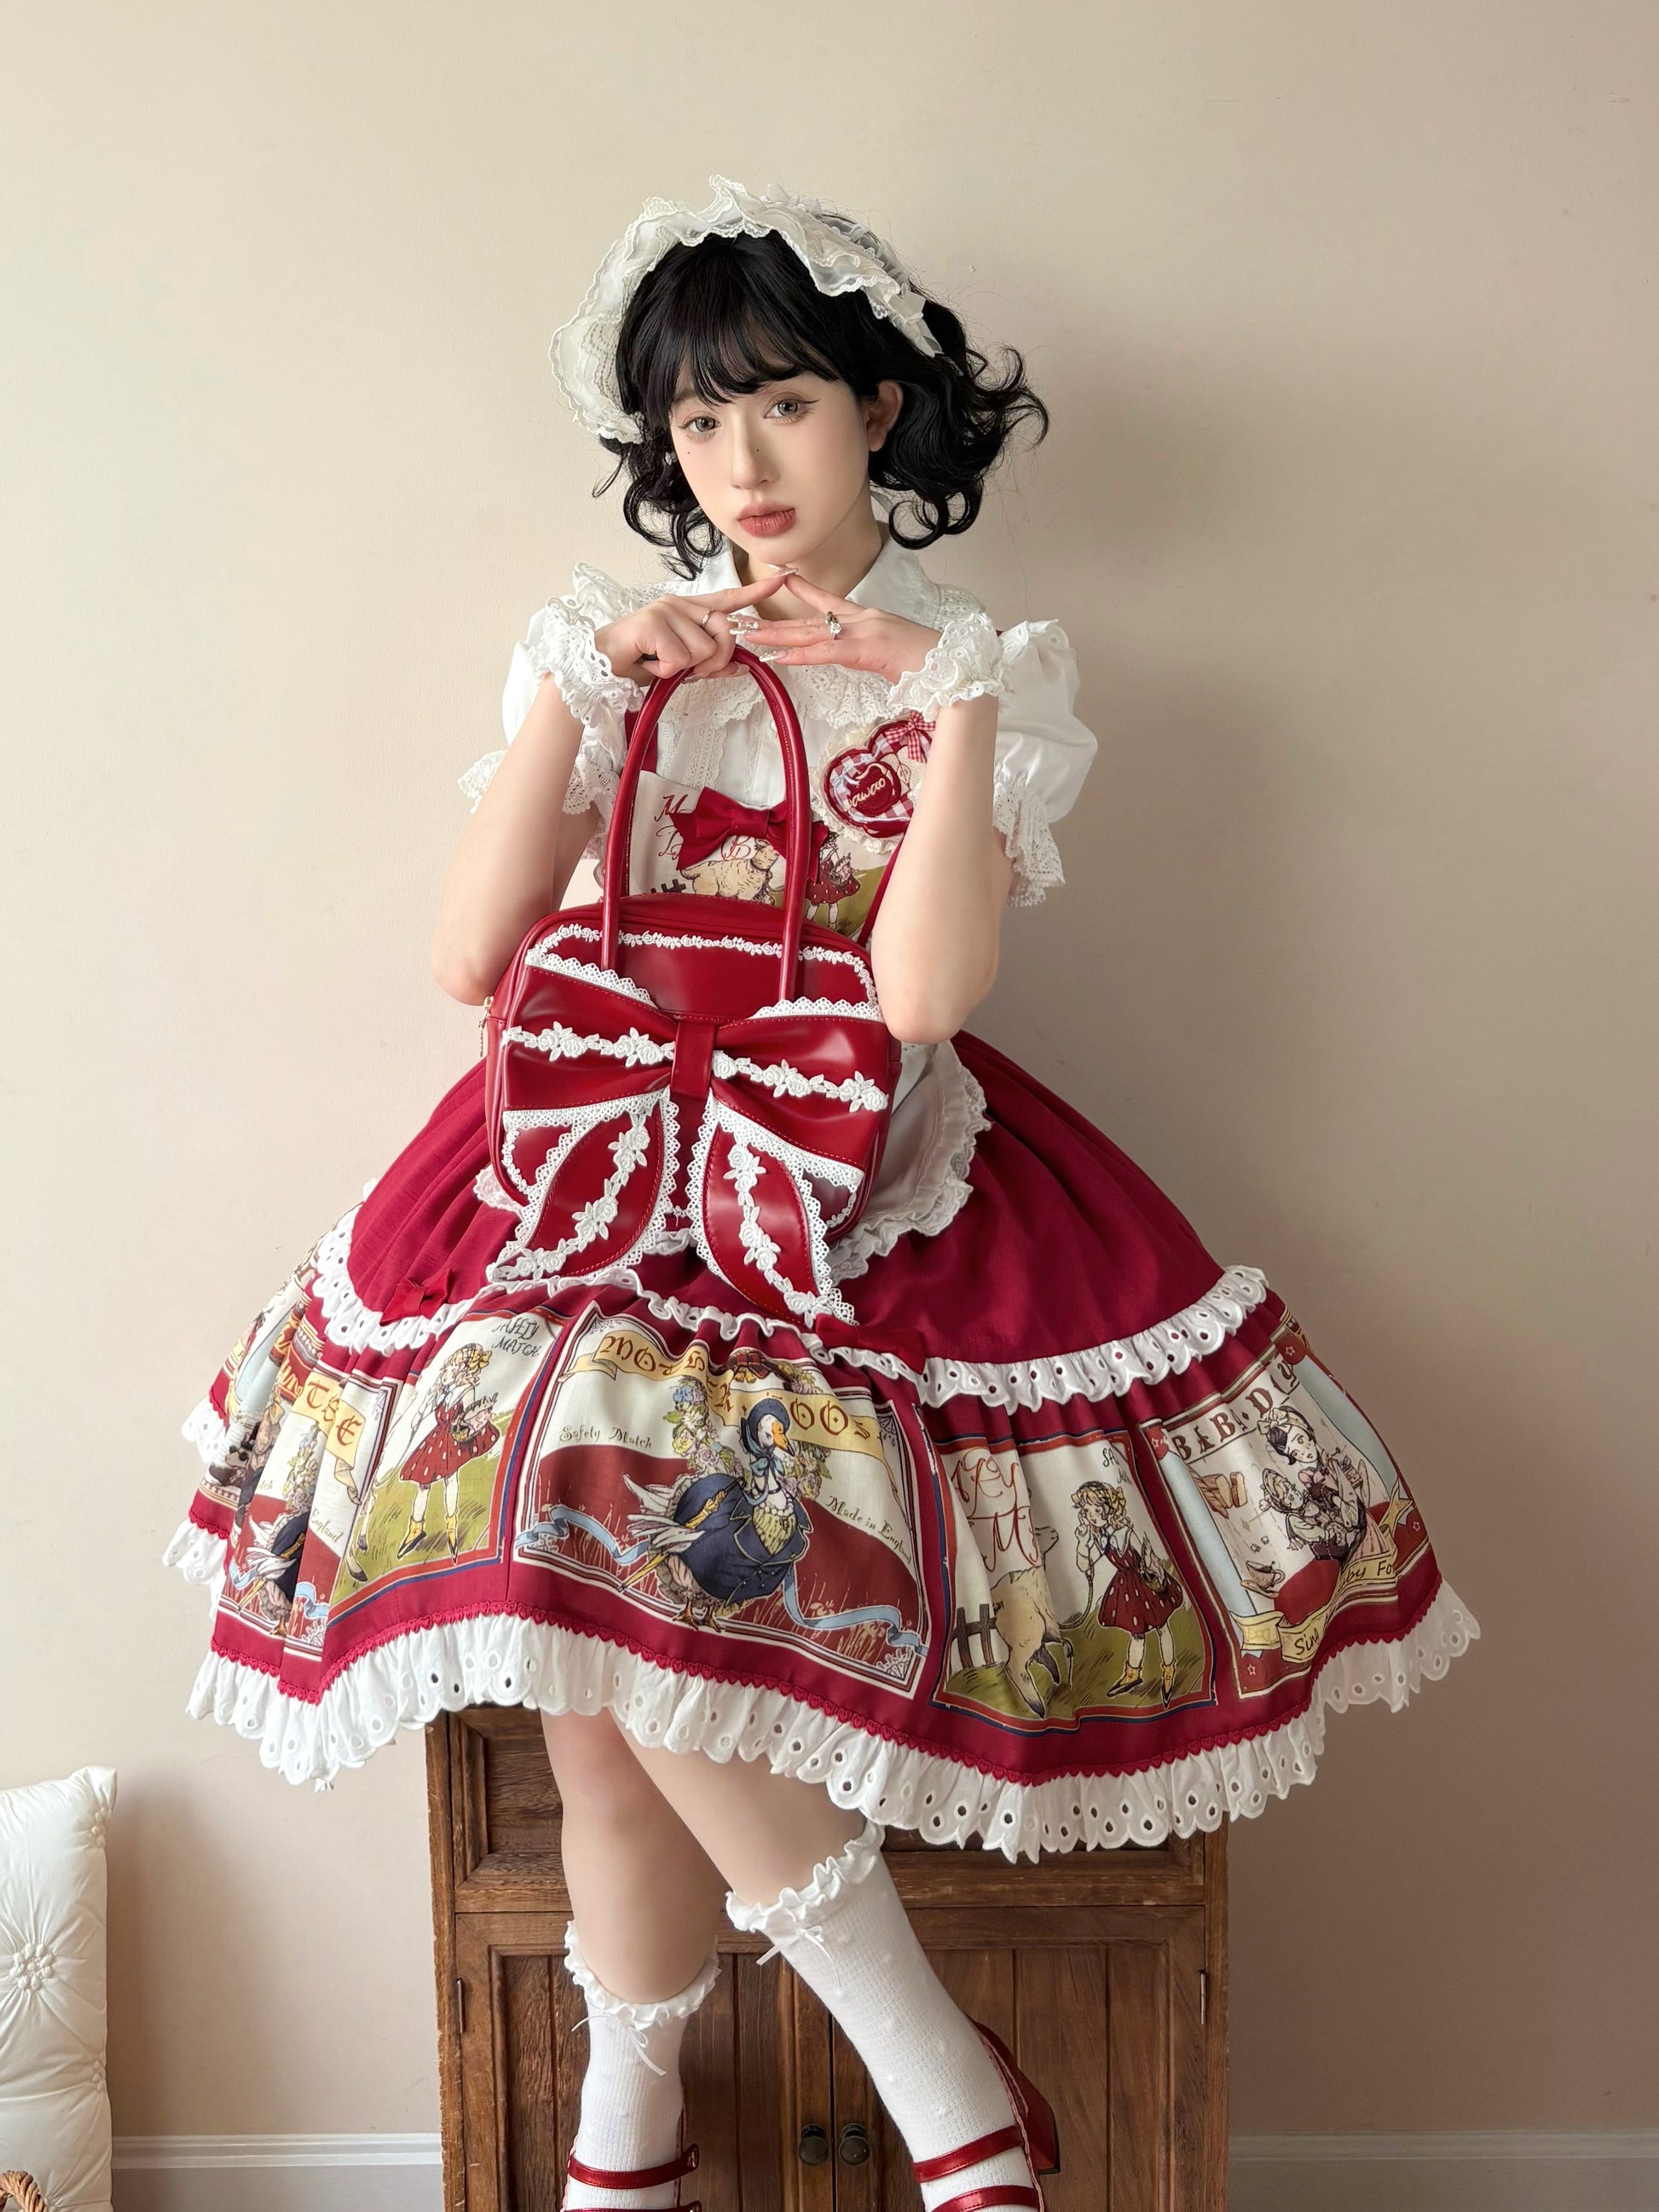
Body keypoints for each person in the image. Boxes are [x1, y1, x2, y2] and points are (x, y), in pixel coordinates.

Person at [166, 176, 1481, 2212]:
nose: (739, 464)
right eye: (697, 422)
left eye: (779, 403)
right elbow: (472, 954)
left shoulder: (981, 664)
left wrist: (947, 701)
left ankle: (730, 2132)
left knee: (616, 1650)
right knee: (581, 1660)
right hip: (590, 1149)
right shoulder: (602, 648)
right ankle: (820, 2110)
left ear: (876, 406)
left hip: (849, 1166)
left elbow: (927, 995)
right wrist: (593, 684)